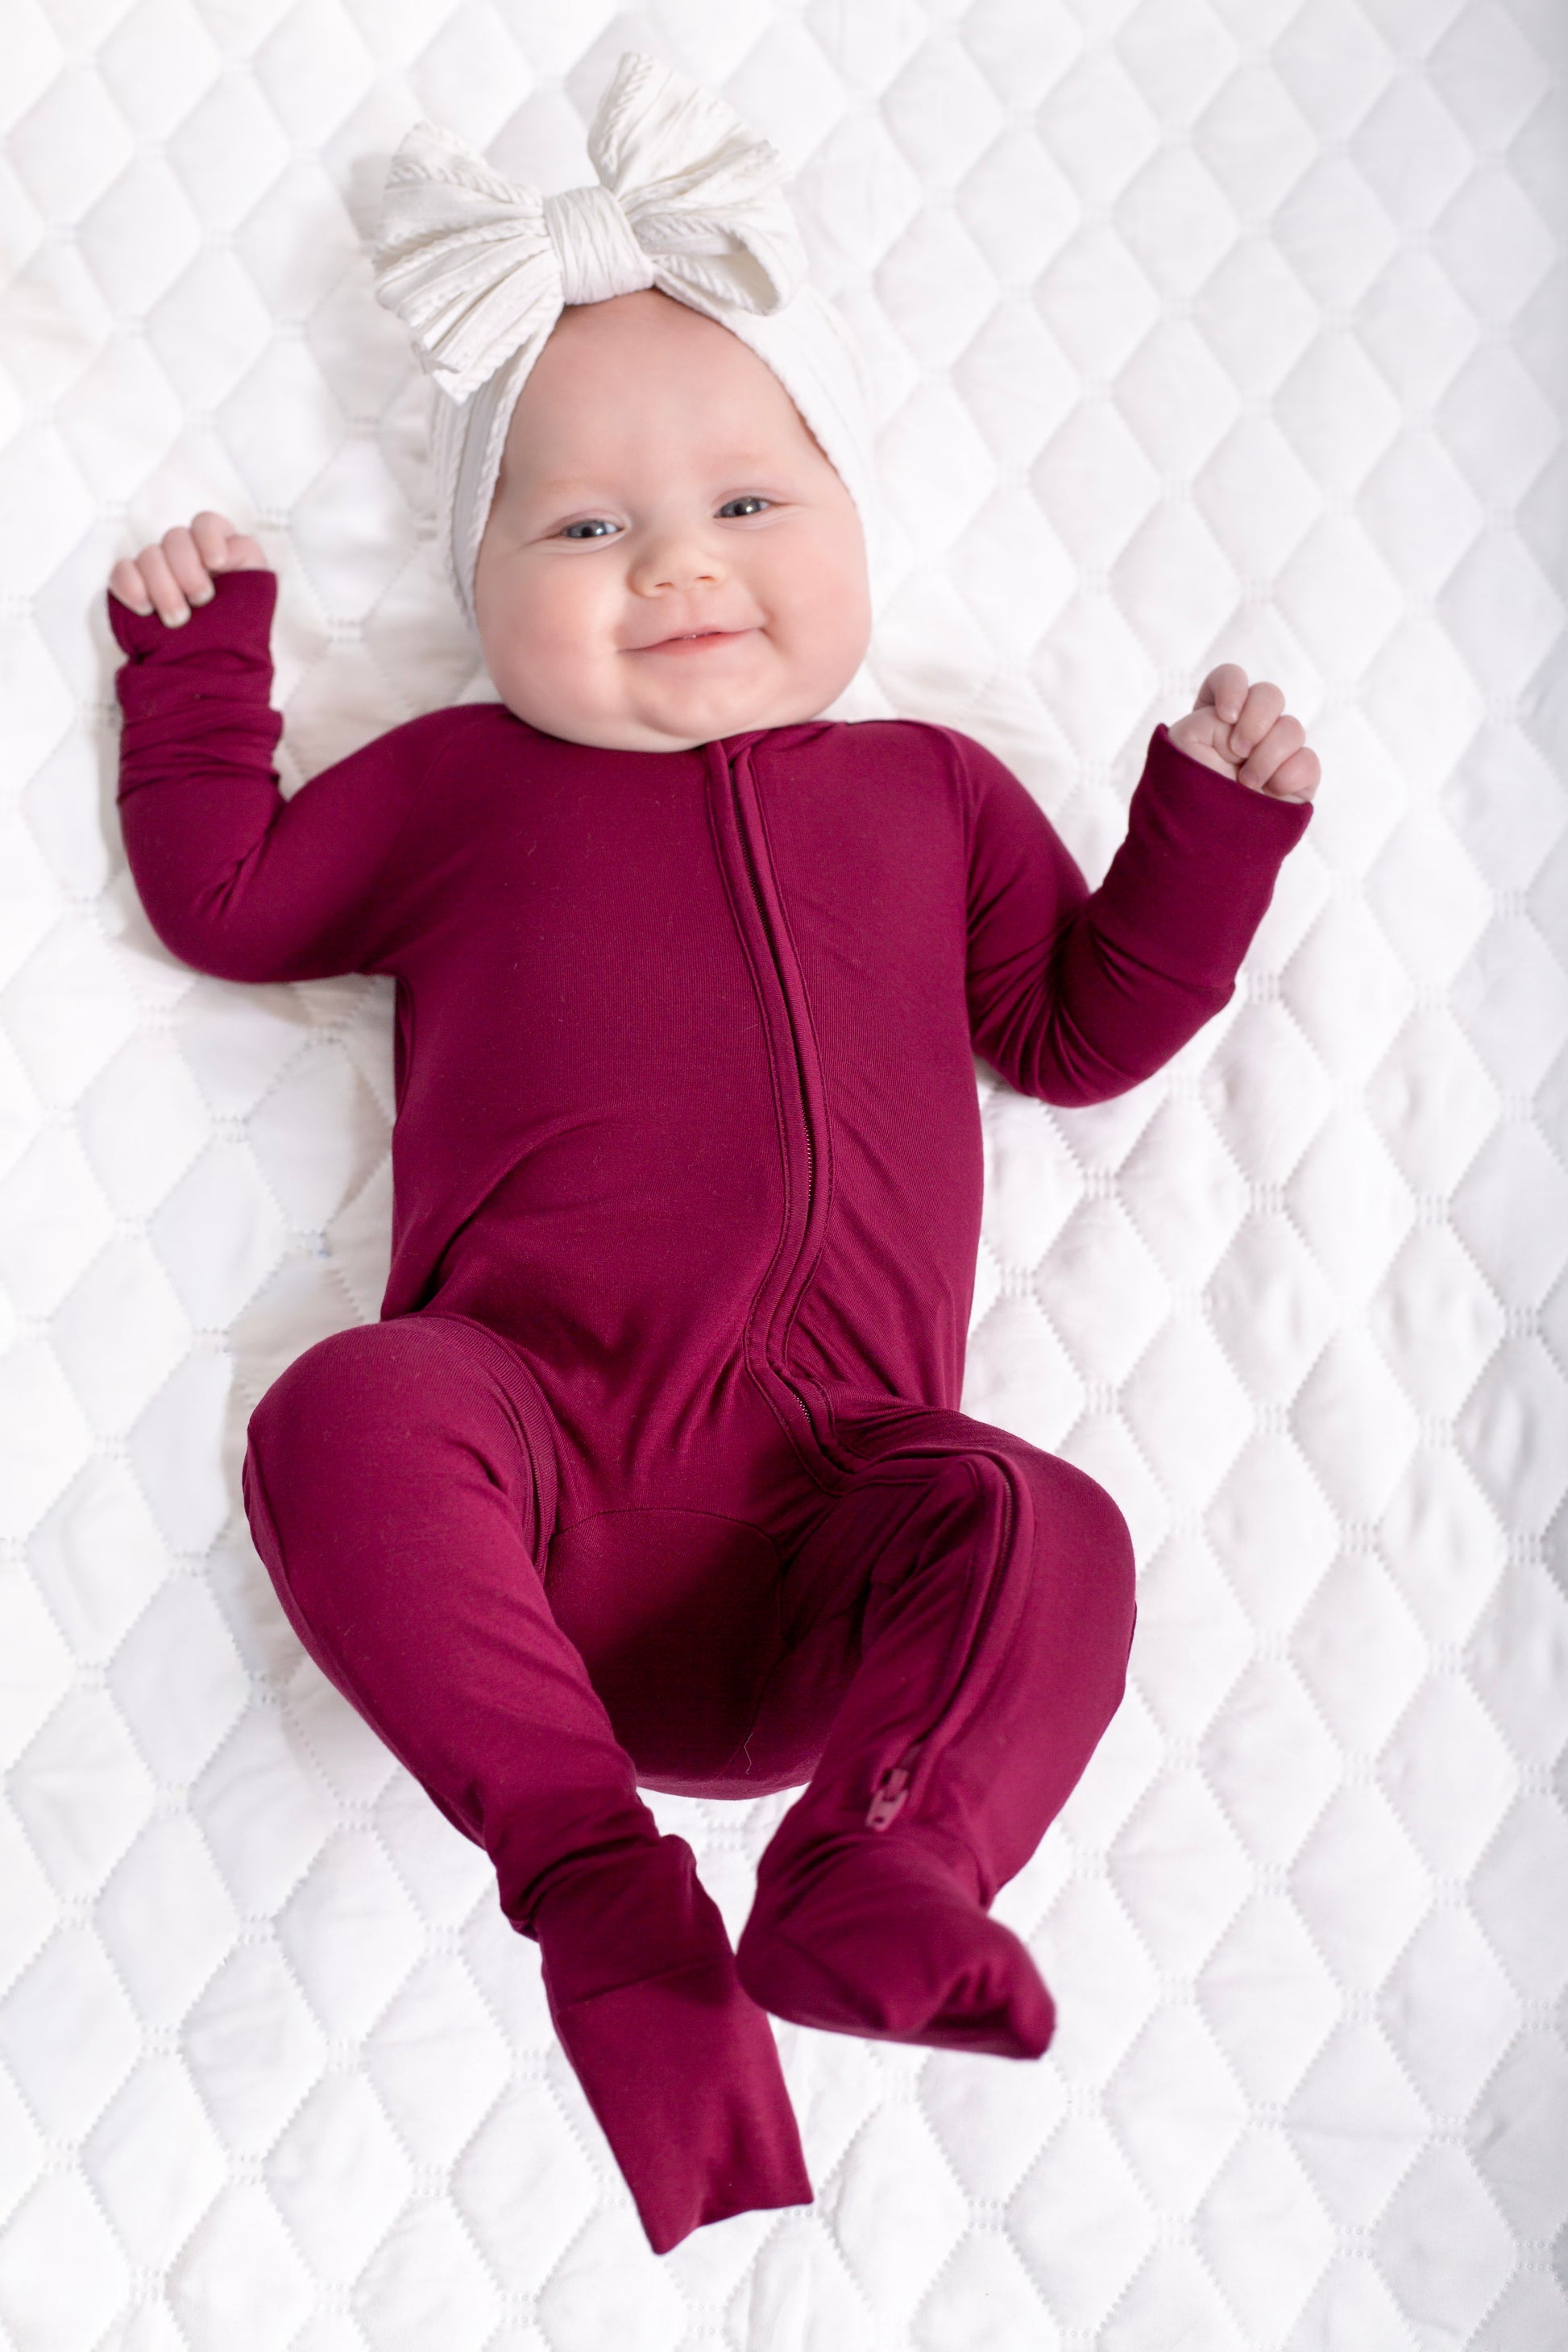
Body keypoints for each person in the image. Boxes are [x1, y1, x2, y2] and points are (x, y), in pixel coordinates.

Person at [106, 55, 1318, 2256]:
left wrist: (1201, 844)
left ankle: (888, 1859)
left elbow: (1070, 1034)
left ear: (848, 523)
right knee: (347, 1412)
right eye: (579, 529)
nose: (676, 562)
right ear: (481, 584)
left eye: (751, 507)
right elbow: (229, 903)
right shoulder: (459, 785)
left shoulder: (928, 792)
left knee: (1047, 1525)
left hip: (841, 1531)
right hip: (533, 1491)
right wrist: (200, 682)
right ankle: (607, 1909)